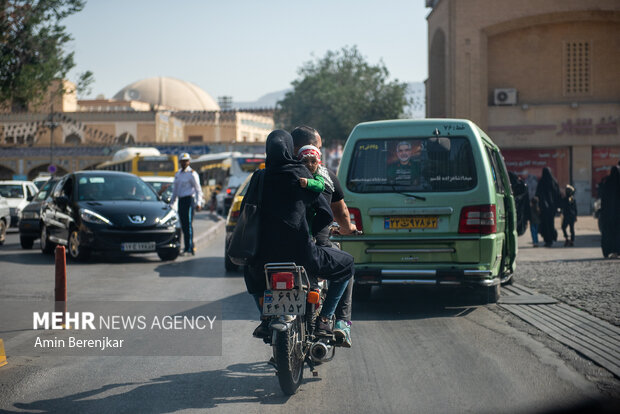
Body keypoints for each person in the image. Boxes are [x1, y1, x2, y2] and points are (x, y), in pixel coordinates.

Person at [245, 130, 354, 339]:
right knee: (347, 264)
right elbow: (325, 212)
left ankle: (266, 318)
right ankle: (326, 320)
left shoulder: (259, 177)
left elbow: (247, 213)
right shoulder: (302, 174)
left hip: (264, 257)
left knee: (249, 273)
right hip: (303, 253)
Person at [291, 125, 357, 348]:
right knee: (345, 266)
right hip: (316, 248)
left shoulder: (273, 174)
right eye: (317, 148)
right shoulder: (325, 176)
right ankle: (333, 320)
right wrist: (347, 229)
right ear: (304, 149)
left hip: (276, 248)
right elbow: (342, 213)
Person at [169, 153, 203, 256]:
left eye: (186, 161)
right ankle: (188, 246)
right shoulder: (178, 174)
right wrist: (171, 202)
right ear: (180, 162)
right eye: (183, 161)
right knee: (183, 225)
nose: (185, 163)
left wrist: (198, 203)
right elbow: (175, 190)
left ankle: (189, 248)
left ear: (189, 162)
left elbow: (198, 190)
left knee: (188, 224)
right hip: (181, 201)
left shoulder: (192, 174)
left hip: (189, 200)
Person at [535, 167, 561, 247]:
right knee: (551, 223)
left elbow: (538, 194)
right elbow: (557, 195)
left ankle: (548, 240)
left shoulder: (542, 182)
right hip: (552, 208)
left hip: (544, 208)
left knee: (545, 224)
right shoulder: (554, 182)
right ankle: (552, 237)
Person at [599, 165, 620, 258]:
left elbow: (603, 198)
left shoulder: (607, 182)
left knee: (608, 233)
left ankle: (608, 251)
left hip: (607, 214)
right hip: (618, 215)